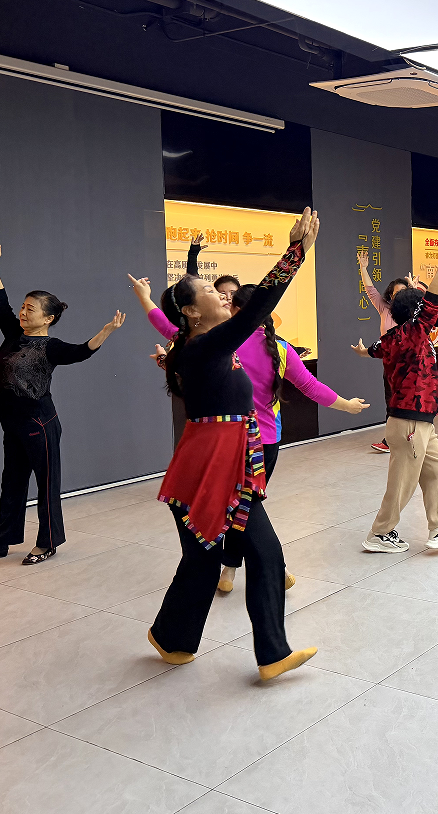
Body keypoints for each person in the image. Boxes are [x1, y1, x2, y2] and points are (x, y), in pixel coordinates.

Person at [144, 207, 320, 681]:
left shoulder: (206, 346)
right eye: (210, 292)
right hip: (210, 466)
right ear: (190, 311)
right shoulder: (205, 346)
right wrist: (295, 251)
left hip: (226, 463)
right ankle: (189, 639)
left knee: (228, 557)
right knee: (221, 557)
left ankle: (188, 639)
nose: (223, 296)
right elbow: (259, 305)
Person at [132, 274, 369, 592]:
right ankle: (254, 567)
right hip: (262, 442)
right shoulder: (274, 348)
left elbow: (168, 328)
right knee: (246, 508)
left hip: (236, 442)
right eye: (218, 294)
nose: (223, 301)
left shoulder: (219, 341)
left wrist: (145, 299)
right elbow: (311, 387)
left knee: (241, 509)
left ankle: (235, 569)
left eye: (229, 299)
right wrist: (346, 405)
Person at [0, 238, 125, 565]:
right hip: (11, 422)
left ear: (48, 318)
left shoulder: (51, 347)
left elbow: (80, 352)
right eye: (23, 307)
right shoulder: (14, 334)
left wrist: (107, 331)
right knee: (11, 482)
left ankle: (48, 542)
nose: (23, 312)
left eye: (31, 309)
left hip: (39, 423)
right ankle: (1, 540)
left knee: (47, 484)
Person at [350, 238, 438, 553]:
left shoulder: (393, 337)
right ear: (416, 313)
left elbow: (373, 350)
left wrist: (362, 351)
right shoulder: (413, 332)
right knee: (401, 485)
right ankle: (380, 533)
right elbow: (432, 300)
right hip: (410, 421)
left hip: (420, 421)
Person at [359, 248, 419, 454]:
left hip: (411, 365)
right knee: (392, 401)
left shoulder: (414, 313)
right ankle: (391, 440)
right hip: (391, 365)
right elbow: (370, 290)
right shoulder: (385, 308)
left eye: (403, 293)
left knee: (411, 400)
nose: (398, 297)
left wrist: (414, 290)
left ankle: (413, 437)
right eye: (395, 294)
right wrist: (363, 268)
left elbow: (426, 309)